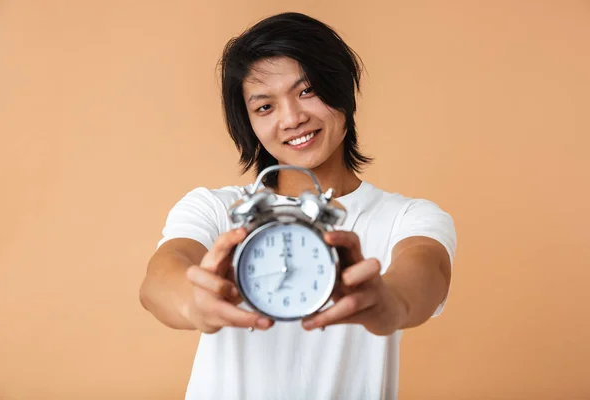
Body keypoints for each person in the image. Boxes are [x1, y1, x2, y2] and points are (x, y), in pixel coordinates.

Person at [139, 12, 456, 400]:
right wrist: (193, 303)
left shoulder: (408, 218)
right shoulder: (216, 209)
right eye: (265, 107)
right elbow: (159, 280)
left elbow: (424, 273)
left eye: (306, 91)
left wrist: (391, 303)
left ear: (341, 89)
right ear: (249, 124)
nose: (292, 118)